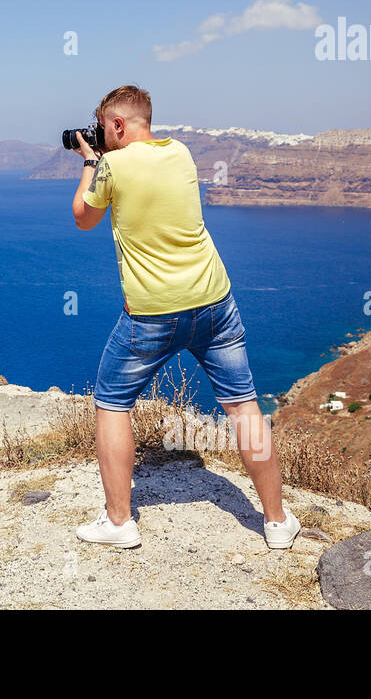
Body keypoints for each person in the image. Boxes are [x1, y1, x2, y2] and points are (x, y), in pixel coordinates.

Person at [69, 85, 300, 550]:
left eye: (106, 128)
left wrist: (91, 161)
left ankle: (119, 523)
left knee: (112, 404)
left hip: (152, 312)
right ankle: (276, 522)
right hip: (214, 299)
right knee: (243, 405)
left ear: (115, 125)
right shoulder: (181, 152)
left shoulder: (111, 164)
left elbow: (82, 217)